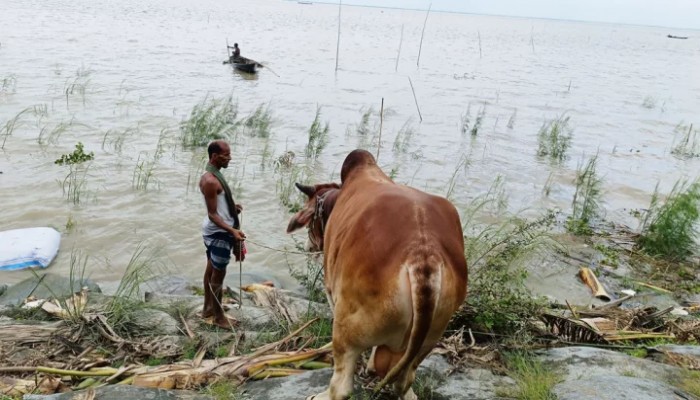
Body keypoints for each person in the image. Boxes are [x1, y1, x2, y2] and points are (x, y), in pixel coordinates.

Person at [199, 140, 246, 328]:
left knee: (211, 269)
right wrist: (232, 230)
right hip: (218, 233)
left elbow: (217, 205)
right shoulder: (210, 181)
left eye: (229, 153)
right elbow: (212, 215)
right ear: (214, 156)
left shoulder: (214, 176)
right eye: (226, 155)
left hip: (215, 231)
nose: (230, 158)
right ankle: (218, 317)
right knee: (218, 275)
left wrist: (231, 208)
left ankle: (208, 308)